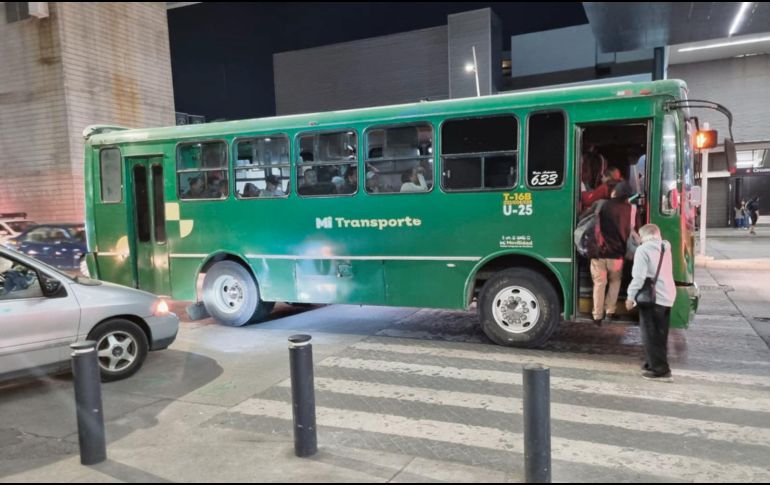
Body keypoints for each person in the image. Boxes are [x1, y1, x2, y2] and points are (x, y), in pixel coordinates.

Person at [626, 224, 676, 382]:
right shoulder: (665, 246)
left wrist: (630, 297)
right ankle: (651, 363)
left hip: (653, 298)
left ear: (642, 237)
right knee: (660, 335)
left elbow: (639, 278)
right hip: (667, 295)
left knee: (650, 335)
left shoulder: (643, 250)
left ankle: (660, 371)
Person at [591, 181, 634, 325]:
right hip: (617, 256)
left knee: (599, 283)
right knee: (615, 281)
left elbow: (585, 218)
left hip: (599, 253)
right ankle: (610, 311)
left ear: (615, 192)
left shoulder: (602, 204)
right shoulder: (631, 209)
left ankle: (597, 316)